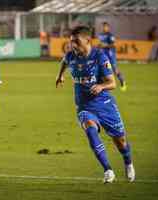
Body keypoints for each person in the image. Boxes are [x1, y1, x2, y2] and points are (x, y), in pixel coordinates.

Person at [56, 26, 135, 183]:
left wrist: (101, 86)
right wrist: (60, 76)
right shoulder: (71, 55)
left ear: (88, 40)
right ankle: (108, 170)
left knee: (121, 141)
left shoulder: (100, 57)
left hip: (105, 105)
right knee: (91, 131)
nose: (72, 45)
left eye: (76, 42)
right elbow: (64, 62)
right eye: (71, 42)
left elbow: (112, 83)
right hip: (84, 106)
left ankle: (128, 163)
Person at [98, 22, 127, 91]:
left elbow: (113, 44)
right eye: (103, 27)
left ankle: (122, 82)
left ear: (108, 27)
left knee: (115, 70)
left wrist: (105, 46)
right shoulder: (100, 35)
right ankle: (105, 85)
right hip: (103, 56)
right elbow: (101, 44)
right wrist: (99, 46)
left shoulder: (110, 35)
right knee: (102, 70)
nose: (104, 28)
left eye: (105, 27)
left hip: (110, 56)